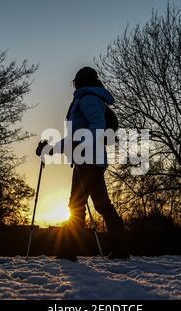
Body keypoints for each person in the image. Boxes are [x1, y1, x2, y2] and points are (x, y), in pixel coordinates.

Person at [36, 66, 129, 261]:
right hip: (87, 159)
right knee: (102, 205)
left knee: (77, 204)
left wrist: (74, 146)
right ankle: (121, 249)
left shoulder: (88, 99)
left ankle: (69, 251)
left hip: (89, 159)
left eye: (76, 81)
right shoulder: (85, 99)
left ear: (80, 82)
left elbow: (97, 127)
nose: (74, 84)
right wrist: (52, 149)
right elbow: (75, 137)